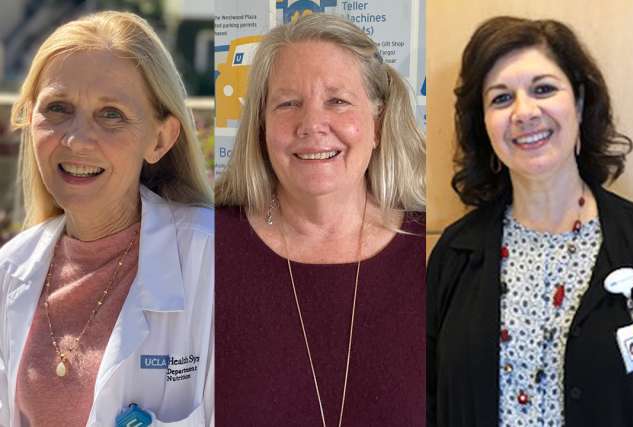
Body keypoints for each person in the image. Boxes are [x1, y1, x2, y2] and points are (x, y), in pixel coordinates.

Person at [0, 11, 213, 426]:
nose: (77, 139)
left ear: (160, 139)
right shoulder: (10, 271)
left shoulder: (217, 264)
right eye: (57, 108)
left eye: (111, 114)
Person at [427, 16, 633, 427]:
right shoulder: (453, 255)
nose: (524, 112)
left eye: (543, 89)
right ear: (483, 123)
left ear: (579, 103)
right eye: (501, 98)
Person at [215, 13, 426, 427]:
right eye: (288, 103)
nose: (312, 125)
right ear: (261, 126)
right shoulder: (205, 249)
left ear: (378, 123)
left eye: (337, 101)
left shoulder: (433, 252)